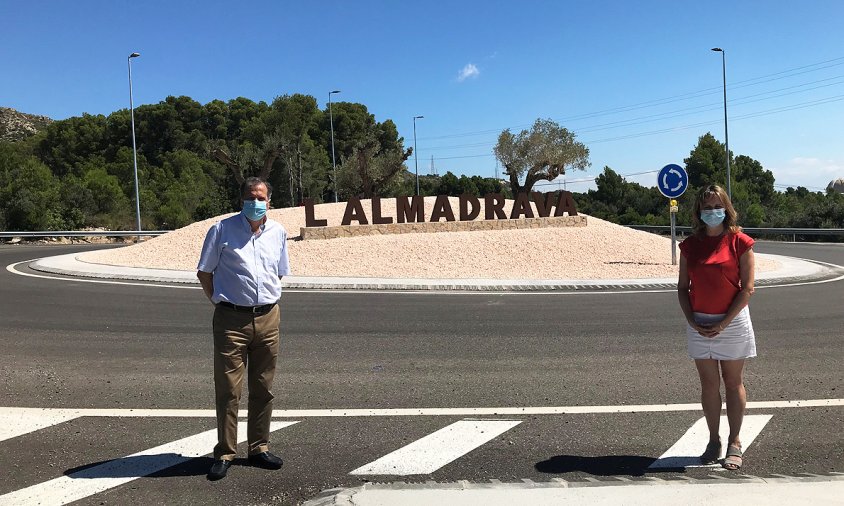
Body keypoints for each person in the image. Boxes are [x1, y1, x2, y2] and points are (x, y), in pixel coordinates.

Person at [197, 176, 290, 481]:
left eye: (261, 197)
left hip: (268, 318)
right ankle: (225, 451)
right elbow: (205, 272)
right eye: (251, 197)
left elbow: (278, 273)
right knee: (228, 391)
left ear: (269, 201)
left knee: (263, 388)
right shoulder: (221, 230)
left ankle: (259, 447)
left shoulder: (278, 232)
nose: (256, 202)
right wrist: (221, 304)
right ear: (242, 200)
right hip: (231, 320)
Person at [677, 184, 756, 471]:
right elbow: (682, 288)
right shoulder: (689, 246)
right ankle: (713, 440)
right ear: (699, 211)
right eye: (707, 207)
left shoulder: (740, 242)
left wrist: (723, 323)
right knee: (709, 385)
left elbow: (747, 289)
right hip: (699, 323)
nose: (713, 212)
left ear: (727, 208)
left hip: (732, 323)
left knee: (733, 383)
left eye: (717, 205)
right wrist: (691, 320)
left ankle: (735, 441)